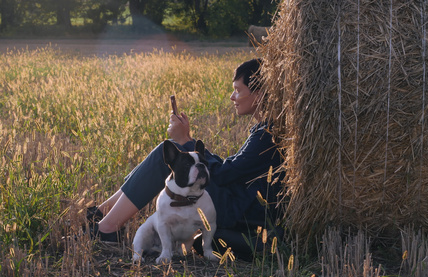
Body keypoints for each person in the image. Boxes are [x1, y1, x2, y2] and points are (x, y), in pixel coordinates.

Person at [86, 58, 284, 261]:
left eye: (237, 90)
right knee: (175, 150)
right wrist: (187, 142)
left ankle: (107, 227)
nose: (232, 97)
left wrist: (186, 142)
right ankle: (101, 215)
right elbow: (233, 170)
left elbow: (225, 175)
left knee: (170, 153)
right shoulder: (265, 131)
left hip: (238, 214)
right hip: (238, 204)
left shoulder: (267, 135)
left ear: (258, 94)